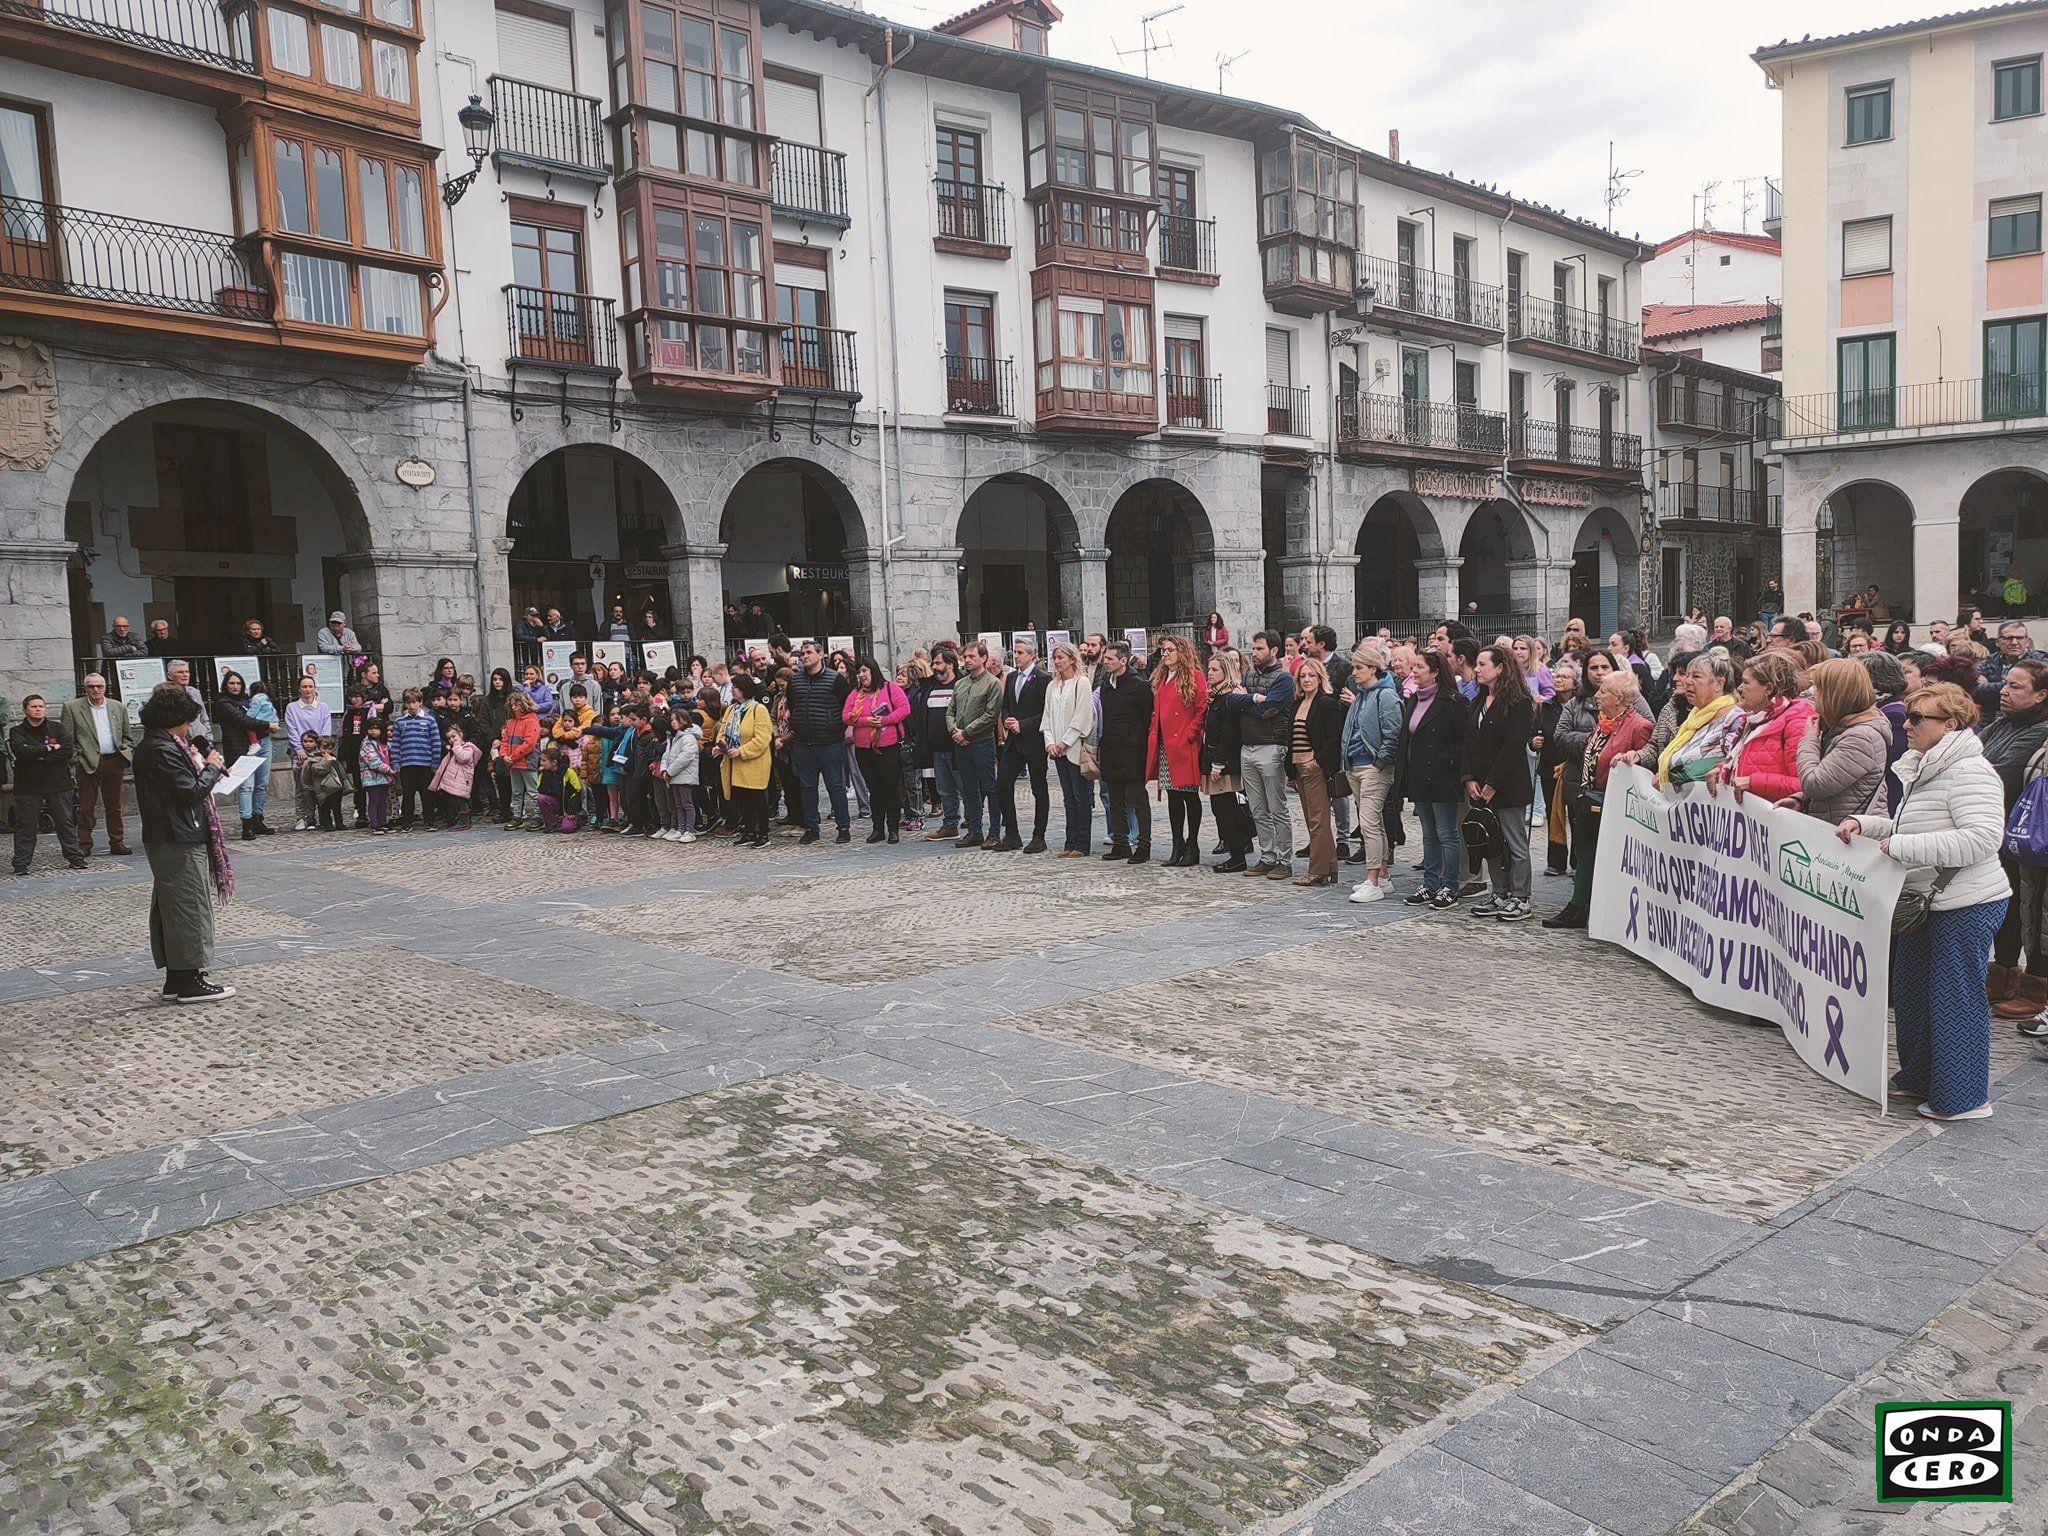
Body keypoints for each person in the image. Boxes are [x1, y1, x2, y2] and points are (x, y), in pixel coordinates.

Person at [1837, 682, 2007, 1120]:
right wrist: (1867, 826)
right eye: (1908, 716)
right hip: (1927, 900)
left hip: (1966, 901)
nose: (1906, 725)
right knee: (1912, 992)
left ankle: (1964, 1097)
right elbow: (1908, 825)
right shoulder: (1927, 766)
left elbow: (1983, 839)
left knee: (1955, 998)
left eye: (1917, 719)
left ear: (1949, 725)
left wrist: (1902, 848)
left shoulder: (1970, 771)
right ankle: (1919, 1076)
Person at [133, 685, 234, 1001]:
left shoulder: (163, 745)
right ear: (174, 719)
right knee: (189, 905)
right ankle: (190, 979)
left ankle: (178, 977)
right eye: (188, 721)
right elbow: (188, 791)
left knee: (176, 906)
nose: (191, 727)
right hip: (176, 835)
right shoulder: (160, 749)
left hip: (175, 833)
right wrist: (214, 768)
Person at [1542, 667, 1652, 930]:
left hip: (1612, 804)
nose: (1598, 696)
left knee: (1596, 855)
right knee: (1584, 852)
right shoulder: (1605, 723)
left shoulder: (1639, 726)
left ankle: (1585, 908)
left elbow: (1643, 766)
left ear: (1621, 698)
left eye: (1604, 691)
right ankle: (1580, 906)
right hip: (1589, 799)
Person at [1977, 656, 2048, 1018]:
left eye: (2016, 686)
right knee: (2010, 904)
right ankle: (2004, 972)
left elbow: (1998, 772)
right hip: (2001, 828)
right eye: (2005, 684)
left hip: (2032, 832)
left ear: (2040, 696)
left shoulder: (2042, 728)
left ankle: (2036, 983)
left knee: (2035, 909)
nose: (2004, 692)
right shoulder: (2003, 723)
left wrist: (1975, 769)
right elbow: (1969, 754)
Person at [1463, 644, 1537, 920]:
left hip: (1508, 784)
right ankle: (1500, 891)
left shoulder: (1519, 702)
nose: (1478, 669)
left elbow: (1513, 745)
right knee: (1489, 840)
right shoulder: (1478, 702)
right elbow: (1468, 742)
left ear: (1500, 668)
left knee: (1514, 841)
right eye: (1478, 664)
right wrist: (1469, 777)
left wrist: (1493, 783)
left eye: (1483, 664)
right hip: (1480, 784)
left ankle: (1521, 896)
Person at [1401, 650, 1468, 909]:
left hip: (1442, 777)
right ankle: (1430, 883)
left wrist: (1445, 762)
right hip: (1419, 777)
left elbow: (1462, 740)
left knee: (1446, 833)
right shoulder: (1414, 700)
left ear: (1435, 671)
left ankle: (1449, 885)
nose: (1414, 671)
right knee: (1428, 834)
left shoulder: (1454, 702)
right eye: (1413, 666)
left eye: (1419, 667)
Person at [1227, 631, 1297, 878]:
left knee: (1277, 807)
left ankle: (1284, 860)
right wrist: (1251, 700)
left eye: (1259, 649)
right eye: (1253, 649)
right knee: (1257, 808)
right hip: (1247, 747)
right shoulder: (1249, 675)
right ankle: (1266, 856)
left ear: (1273, 650)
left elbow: (1270, 710)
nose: (1254, 653)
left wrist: (1245, 701)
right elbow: (1230, 703)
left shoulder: (1284, 679)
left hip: (1271, 745)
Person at [1790, 659, 1892, 828]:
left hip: (1849, 838)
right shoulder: (1844, 727)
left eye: (1819, 689)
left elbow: (1814, 785)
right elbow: (1843, 788)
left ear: (1835, 694)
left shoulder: (1860, 737)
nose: (1814, 695)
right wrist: (1801, 800)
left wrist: (1809, 739)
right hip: (1836, 826)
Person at [1340, 640, 1401, 903]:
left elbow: (1393, 733)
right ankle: (1383, 876)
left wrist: (1379, 763)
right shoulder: (1364, 694)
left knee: (1369, 823)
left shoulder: (1385, 695)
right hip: (1356, 764)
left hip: (1372, 766)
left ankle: (1373, 879)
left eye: (1359, 667)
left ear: (1373, 668)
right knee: (1373, 822)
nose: (1354, 672)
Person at [1714, 652, 1814, 806]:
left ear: (1768, 689)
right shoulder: (1755, 720)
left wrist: (1754, 782)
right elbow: (1752, 760)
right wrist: (1722, 770)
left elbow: (1805, 784)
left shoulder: (1796, 723)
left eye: (1746, 683)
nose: (1740, 688)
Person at [1148, 635, 1209, 868]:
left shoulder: (1195, 676)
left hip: (1184, 744)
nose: (1165, 654)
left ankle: (1192, 845)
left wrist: (1189, 736)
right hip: (1166, 744)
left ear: (1182, 652)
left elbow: (1201, 709)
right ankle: (1177, 844)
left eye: (1170, 650)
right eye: (1163, 650)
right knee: (1173, 796)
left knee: (1188, 795)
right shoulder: (1162, 677)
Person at [10, 695, 88, 874]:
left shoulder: (57, 728)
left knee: (65, 821)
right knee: (26, 825)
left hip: (58, 783)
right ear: (25, 710)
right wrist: (49, 748)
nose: (38, 709)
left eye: (41, 706)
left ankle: (75, 857)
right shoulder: (17, 731)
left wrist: (40, 757)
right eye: (33, 706)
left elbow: (68, 749)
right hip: (28, 785)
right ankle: (21, 863)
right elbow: (21, 751)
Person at [58, 674, 133, 856]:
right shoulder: (72, 707)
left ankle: (117, 841)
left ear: (105, 687)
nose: (96, 690)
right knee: (86, 806)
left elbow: (126, 735)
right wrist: (77, 759)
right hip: (88, 762)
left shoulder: (118, 707)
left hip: (114, 761)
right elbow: (67, 737)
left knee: (114, 805)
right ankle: (84, 843)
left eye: (99, 686)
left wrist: (126, 752)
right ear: (85, 688)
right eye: (91, 686)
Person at [787, 639, 852, 845]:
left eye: (808, 653)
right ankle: (811, 827)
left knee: (835, 785)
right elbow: (792, 706)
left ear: (820, 654)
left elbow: (846, 707)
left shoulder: (836, 680)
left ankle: (843, 827)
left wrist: (834, 728)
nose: (805, 656)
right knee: (807, 787)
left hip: (829, 742)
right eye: (802, 654)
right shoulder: (795, 681)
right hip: (803, 742)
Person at [1285, 656, 1343, 887]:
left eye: (1311, 675)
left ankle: (1317, 871)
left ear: (1320, 678)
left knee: (1318, 821)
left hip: (1314, 769)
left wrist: (1317, 761)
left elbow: (1334, 738)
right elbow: (1290, 738)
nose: (1307, 679)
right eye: (1303, 676)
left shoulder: (1326, 703)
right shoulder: (1297, 703)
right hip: (1299, 769)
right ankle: (1330, 868)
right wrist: (1291, 771)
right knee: (1313, 820)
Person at [1095, 640, 1154, 864]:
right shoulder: (1106, 685)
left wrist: (1137, 743)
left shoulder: (1138, 685)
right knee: (1115, 800)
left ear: (1123, 660)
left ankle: (1143, 845)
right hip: (1111, 749)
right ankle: (1121, 843)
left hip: (1132, 751)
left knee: (1137, 799)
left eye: (1110, 659)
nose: (1106, 662)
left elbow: (1148, 717)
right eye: (1105, 658)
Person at [845, 656, 911, 844]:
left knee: (889, 787)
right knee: (874, 789)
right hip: (864, 748)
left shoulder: (890, 688)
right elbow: (846, 715)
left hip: (888, 746)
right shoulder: (856, 694)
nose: (861, 675)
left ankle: (893, 828)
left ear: (873, 671)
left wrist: (885, 720)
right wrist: (866, 721)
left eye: (864, 671)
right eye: (859, 672)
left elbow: (904, 708)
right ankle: (878, 828)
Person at [996, 637, 1051, 852]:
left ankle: (1039, 835)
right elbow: (1006, 705)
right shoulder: (1010, 678)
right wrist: (1009, 719)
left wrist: (1024, 724)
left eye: (1020, 653)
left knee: (1039, 788)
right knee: (1002, 785)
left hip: (1034, 741)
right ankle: (1012, 834)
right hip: (1014, 742)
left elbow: (1045, 712)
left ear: (1032, 655)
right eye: (1015, 652)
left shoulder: (1042, 678)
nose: (1016, 656)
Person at [1200, 651, 1252, 873]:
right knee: (1221, 808)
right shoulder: (1216, 697)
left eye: (1215, 670)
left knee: (1225, 808)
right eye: (1209, 669)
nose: (1209, 673)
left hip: (1224, 764)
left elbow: (1228, 734)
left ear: (1226, 672)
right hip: (1214, 758)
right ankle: (1235, 852)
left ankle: (1238, 856)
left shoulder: (1228, 698)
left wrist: (1218, 764)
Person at [947, 641, 1002, 849]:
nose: (967, 660)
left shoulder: (992, 684)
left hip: (981, 742)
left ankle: (994, 831)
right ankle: (974, 830)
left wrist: (967, 732)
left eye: (972, 656)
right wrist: (955, 732)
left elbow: (990, 715)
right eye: (965, 657)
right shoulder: (960, 684)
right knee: (969, 789)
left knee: (990, 787)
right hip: (961, 744)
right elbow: (950, 711)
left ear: (983, 658)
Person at [714, 672, 774, 846]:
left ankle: (762, 834)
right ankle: (748, 831)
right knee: (742, 799)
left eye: (735, 688)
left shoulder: (758, 709)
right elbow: (724, 730)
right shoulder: (732, 709)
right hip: (735, 763)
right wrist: (721, 746)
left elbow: (762, 738)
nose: (732, 690)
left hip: (754, 762)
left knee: (757, 799)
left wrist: (742, 751)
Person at [389, 688, 442, 829]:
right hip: (407, 763)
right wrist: (395, 763)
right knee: (408, 795)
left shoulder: (429, 720)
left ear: (420, 702)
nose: (412, 706)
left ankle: (429, 821)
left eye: (414, 702)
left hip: (425, 763)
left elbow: (436, 742)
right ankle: (407, 822)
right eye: (408, 702)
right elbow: (395, 744)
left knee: (427, 795)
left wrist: (435, 762)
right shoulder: (400, 722)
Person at [497, 691, 542, 829]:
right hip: (513, 763)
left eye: (517, 705)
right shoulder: (510, 722)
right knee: (516, 791)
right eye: (512, 705)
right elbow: (505, 740)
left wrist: (512, 756)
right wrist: (504, 755)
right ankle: (517, 816)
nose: (515, 708)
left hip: (527, 762)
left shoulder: (532, 721)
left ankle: (538, 816)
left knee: (533, 791)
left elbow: (529, 744)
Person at [660, 704, 703, 842]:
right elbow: (667, 755)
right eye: (672, 720)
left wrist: (670, 771)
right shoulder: (673, 738)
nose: (673, 722)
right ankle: (681, 828)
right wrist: (664, 770)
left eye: (677, 719)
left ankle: (689, 830)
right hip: (674, 776)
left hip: (685, 775)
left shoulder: (688, 737)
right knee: (678, 804)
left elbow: (685, 757)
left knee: (687, 803)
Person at [302, 736, 346, 829]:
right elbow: (319, 770)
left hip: (336, 786)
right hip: (323, 788)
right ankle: (327, 823)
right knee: (325, 807)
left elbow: (340, 771)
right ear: (318, 747)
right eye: (324, 748)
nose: (327, 751)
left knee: (337, 807)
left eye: (329, 748)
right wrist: (327, 761)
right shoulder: (315, 759)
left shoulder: (333, 758)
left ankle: (339, 823)